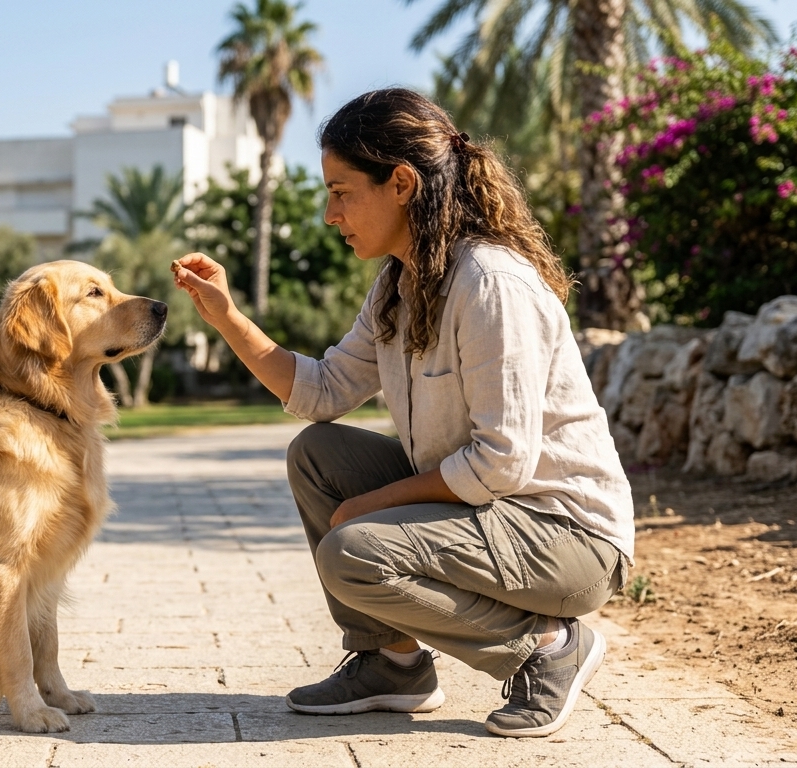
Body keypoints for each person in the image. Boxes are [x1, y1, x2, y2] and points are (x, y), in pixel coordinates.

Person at [171, 87, 634, 739]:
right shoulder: (398, 281)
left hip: (567, 538)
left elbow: (503, 462)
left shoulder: (489, 284)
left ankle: (549, 647)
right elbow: (324, 389)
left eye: (341, 191)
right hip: (490, 515)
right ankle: (394, 663)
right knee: (318, 455)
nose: (330, 213)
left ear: (401, 183)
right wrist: (226, 317)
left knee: (353, 551)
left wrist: (373, 504)